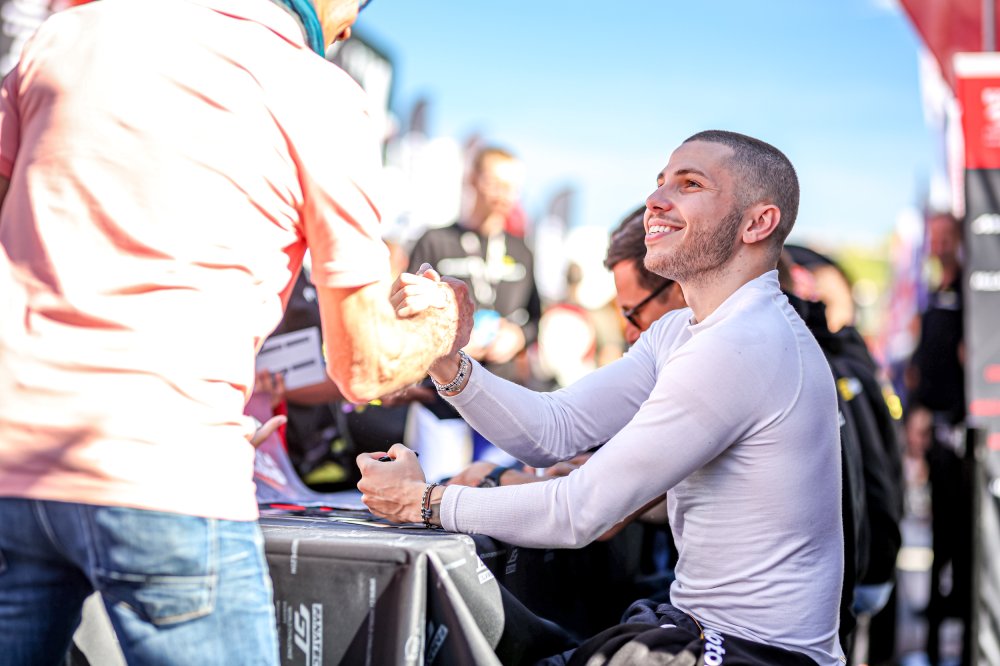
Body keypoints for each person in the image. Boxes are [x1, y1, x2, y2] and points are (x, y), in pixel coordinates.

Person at [0, 1, 473, 664]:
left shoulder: (69, 33)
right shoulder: (317, 91)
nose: (349, 28)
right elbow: (365, 368)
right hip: (165, 471)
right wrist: (444, 320)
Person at [360, 130, 845, 664]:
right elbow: (553, 429)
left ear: (758, 223)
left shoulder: (744, 341)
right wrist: (443, 354)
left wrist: (422, 502)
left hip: (752, 653)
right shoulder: (685, 328)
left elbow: (580, 511)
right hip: (701, 632)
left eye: (690, 184)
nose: (655, 200)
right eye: (660, 182)